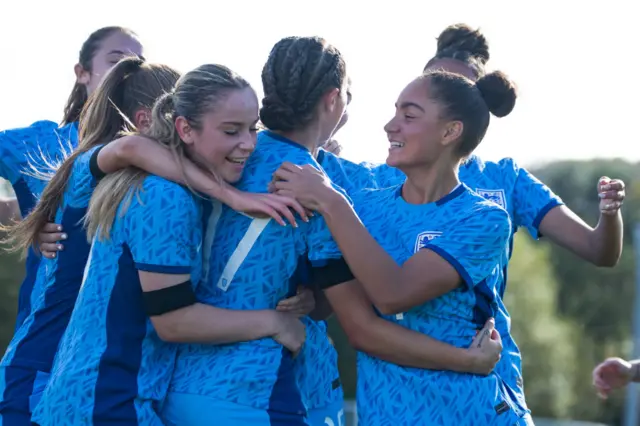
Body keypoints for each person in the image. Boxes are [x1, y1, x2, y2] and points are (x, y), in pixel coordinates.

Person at [319, 23, 625, 413]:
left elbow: (599, 250)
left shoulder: (503, 184)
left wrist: (609, 213)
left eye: (455, 84)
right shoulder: (377, 184)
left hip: (479, 383)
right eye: (433, 81)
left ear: (461, 118)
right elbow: (298, 167)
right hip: (392, 394)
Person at [31, 63, 308, 426]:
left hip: (81, 399)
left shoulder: (154, 184)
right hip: (109, 404)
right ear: (184, 128)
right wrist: (274, 322)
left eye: (253, 128)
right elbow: (174, 323)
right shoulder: (165, 198)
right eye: (231, 130)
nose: (249, 144)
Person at [259, 35, 505, 426]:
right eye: (395, 112)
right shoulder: (365, 196)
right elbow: (292, 147)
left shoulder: (483, 218)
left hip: (465, 411)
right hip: (384, 415)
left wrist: (332, 202)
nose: (390, 125)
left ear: (449, 132)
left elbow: (393, 295)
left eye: (409, 116)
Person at [0, 57, 180, 425]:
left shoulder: (158, 183)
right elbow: (127, 150)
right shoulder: (77, 158)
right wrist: (24, 222)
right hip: (43, 365)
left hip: (109, 377)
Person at [0, 26, 144, 332]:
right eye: (116, 61)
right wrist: (28, 225)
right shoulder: (40, 142)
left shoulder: (160, 151)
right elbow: (27, 204)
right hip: (43, 344)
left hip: (122, 348)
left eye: (137, 65)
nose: (127, 73)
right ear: (83, 73)